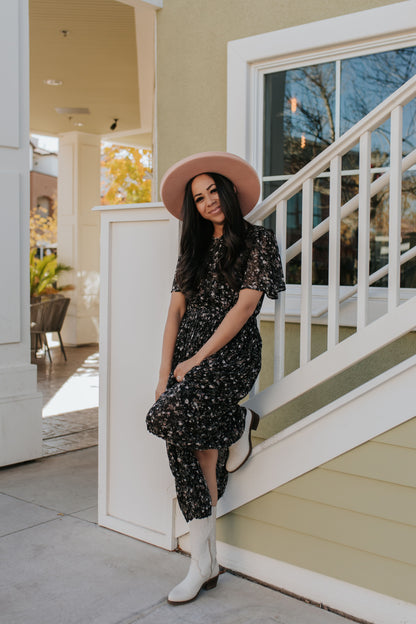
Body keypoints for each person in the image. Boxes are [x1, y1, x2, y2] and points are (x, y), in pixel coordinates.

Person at [146, 151, 285, 605]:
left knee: (174, 425)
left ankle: (237, 424)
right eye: (199, 198)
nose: (208, 203)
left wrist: (198, 360)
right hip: (188, 356)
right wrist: (165, 374)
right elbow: (174, 313)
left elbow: (245, 306)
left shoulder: (259, 241)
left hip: (231, 354)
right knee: (188, 441)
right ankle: (203, 560)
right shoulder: (194, 249)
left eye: (212, 192)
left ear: (228, 192)